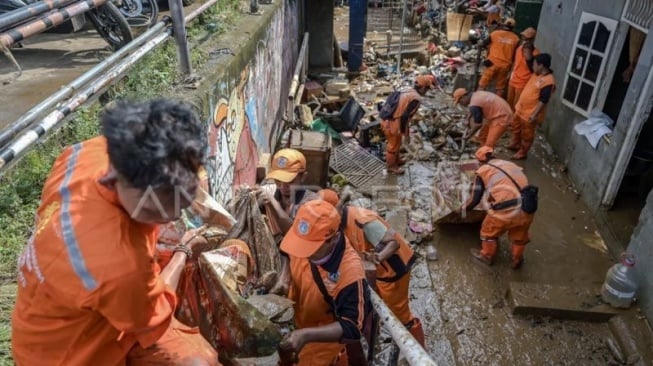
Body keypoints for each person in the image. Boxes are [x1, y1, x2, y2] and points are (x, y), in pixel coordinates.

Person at [11, 99, 219, 365]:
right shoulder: (120, 265)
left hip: (52, 312)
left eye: (184, 196)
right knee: (199, 361)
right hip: (69, 355)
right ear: (113, 181)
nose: (176, 214)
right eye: (157, 210)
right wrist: (182, 252)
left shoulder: (86, 155)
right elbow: (152, 318)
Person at [318, 189, 425, 348]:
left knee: (399, 314)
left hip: (393, 271)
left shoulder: (363, 221)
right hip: (376, 269)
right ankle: (379, 334)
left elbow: (393, 243)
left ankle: (417, 351)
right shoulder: (336, 225)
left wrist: (377, 258)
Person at [279, 200, 372, 365]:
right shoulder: (304, 233)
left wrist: (305, 335)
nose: (303, 253)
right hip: (299, 317)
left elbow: (352, 326)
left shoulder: (350, 273)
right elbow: (286, 249)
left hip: (320, 339)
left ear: (334, 239)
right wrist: (284, 276)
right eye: (301, 244)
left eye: (311, 248)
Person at [257, 148, 320, 295]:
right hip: (275, 259)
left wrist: (273, 204)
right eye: (278, 181)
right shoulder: (273, 191)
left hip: (302, 265)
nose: (283, 186)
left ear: (303, 177)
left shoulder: (311, 203)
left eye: (289, 181)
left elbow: (292, 233)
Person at [463, 147, 534, 269]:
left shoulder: (483, 170)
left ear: (480, 161)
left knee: (488, 232)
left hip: (505, 210)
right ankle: (517, 259)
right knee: (520, 235)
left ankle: (487, 256)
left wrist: (463, 209)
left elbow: (475, 199)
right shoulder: (510, 165)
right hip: (528, 206)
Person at [380, 74, 436, 175]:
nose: (427, 92)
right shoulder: (415, 98)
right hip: (393, 122)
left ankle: (396, 161)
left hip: (388, 117)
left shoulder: (407, 89)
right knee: (393, 146)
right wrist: (406, 134)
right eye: (427, 89)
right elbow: (405, 117)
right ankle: (391, 167)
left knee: (396, 143)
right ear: (423, 88)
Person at [510, 53, 556, 159]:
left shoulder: (548, 81)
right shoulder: (536, 74)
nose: (533, 67)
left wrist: (535, 114)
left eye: (535, 64)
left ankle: (522, 152)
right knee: (515, 126)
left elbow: (543, 100)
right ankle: (515, 143)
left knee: (527, 135)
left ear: (541, 66)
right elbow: (528, 60)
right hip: (520, 108)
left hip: (530, 113)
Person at [478, 18, 520, 98]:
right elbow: (515, 54)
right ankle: (497, 102)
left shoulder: (495, 34)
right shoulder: (516, 39)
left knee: (482, 84)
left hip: (492, 63)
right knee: (500, 88)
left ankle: (478, 100)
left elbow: (483, 44)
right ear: (513, 27)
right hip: (505, 66)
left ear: (504, 24)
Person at [507, 27, 539, 108]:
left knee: (517, 105)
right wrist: (510, 74)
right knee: (509, 102)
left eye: (527, 38)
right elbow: (515, 62)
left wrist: (529, 57)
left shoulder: (536, 53)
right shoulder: (519, 48)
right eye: (524, 37)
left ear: (532, 39)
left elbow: (534, 69)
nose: (524, 39)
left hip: (523, 82)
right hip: (513, 79)